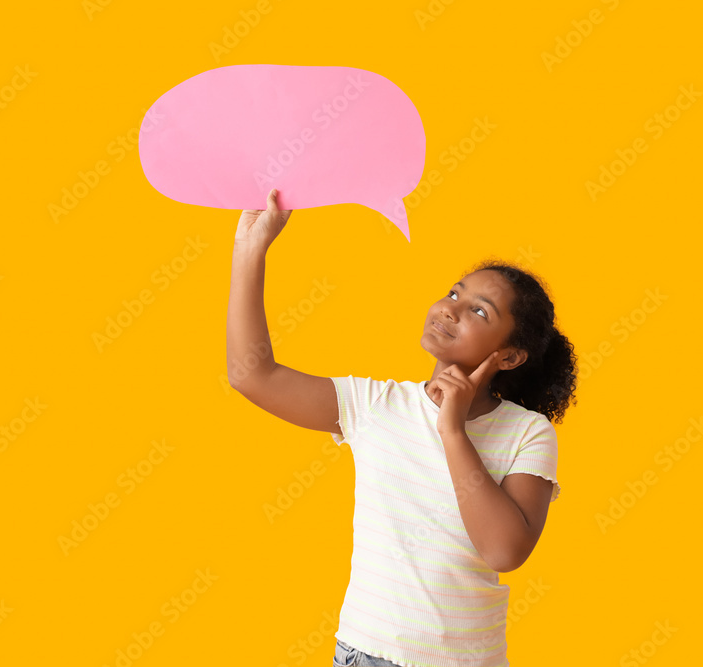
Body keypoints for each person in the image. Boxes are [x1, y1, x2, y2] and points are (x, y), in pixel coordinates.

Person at [227, 189, 577, 667]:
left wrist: (452, 431)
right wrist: (250, 249)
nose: (451, 308)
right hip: (368, 653)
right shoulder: (375, 405)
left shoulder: (528, 433)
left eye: (479, 311)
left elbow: (503, 551)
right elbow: (252, 375)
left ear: (510, 357)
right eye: (454, 293)